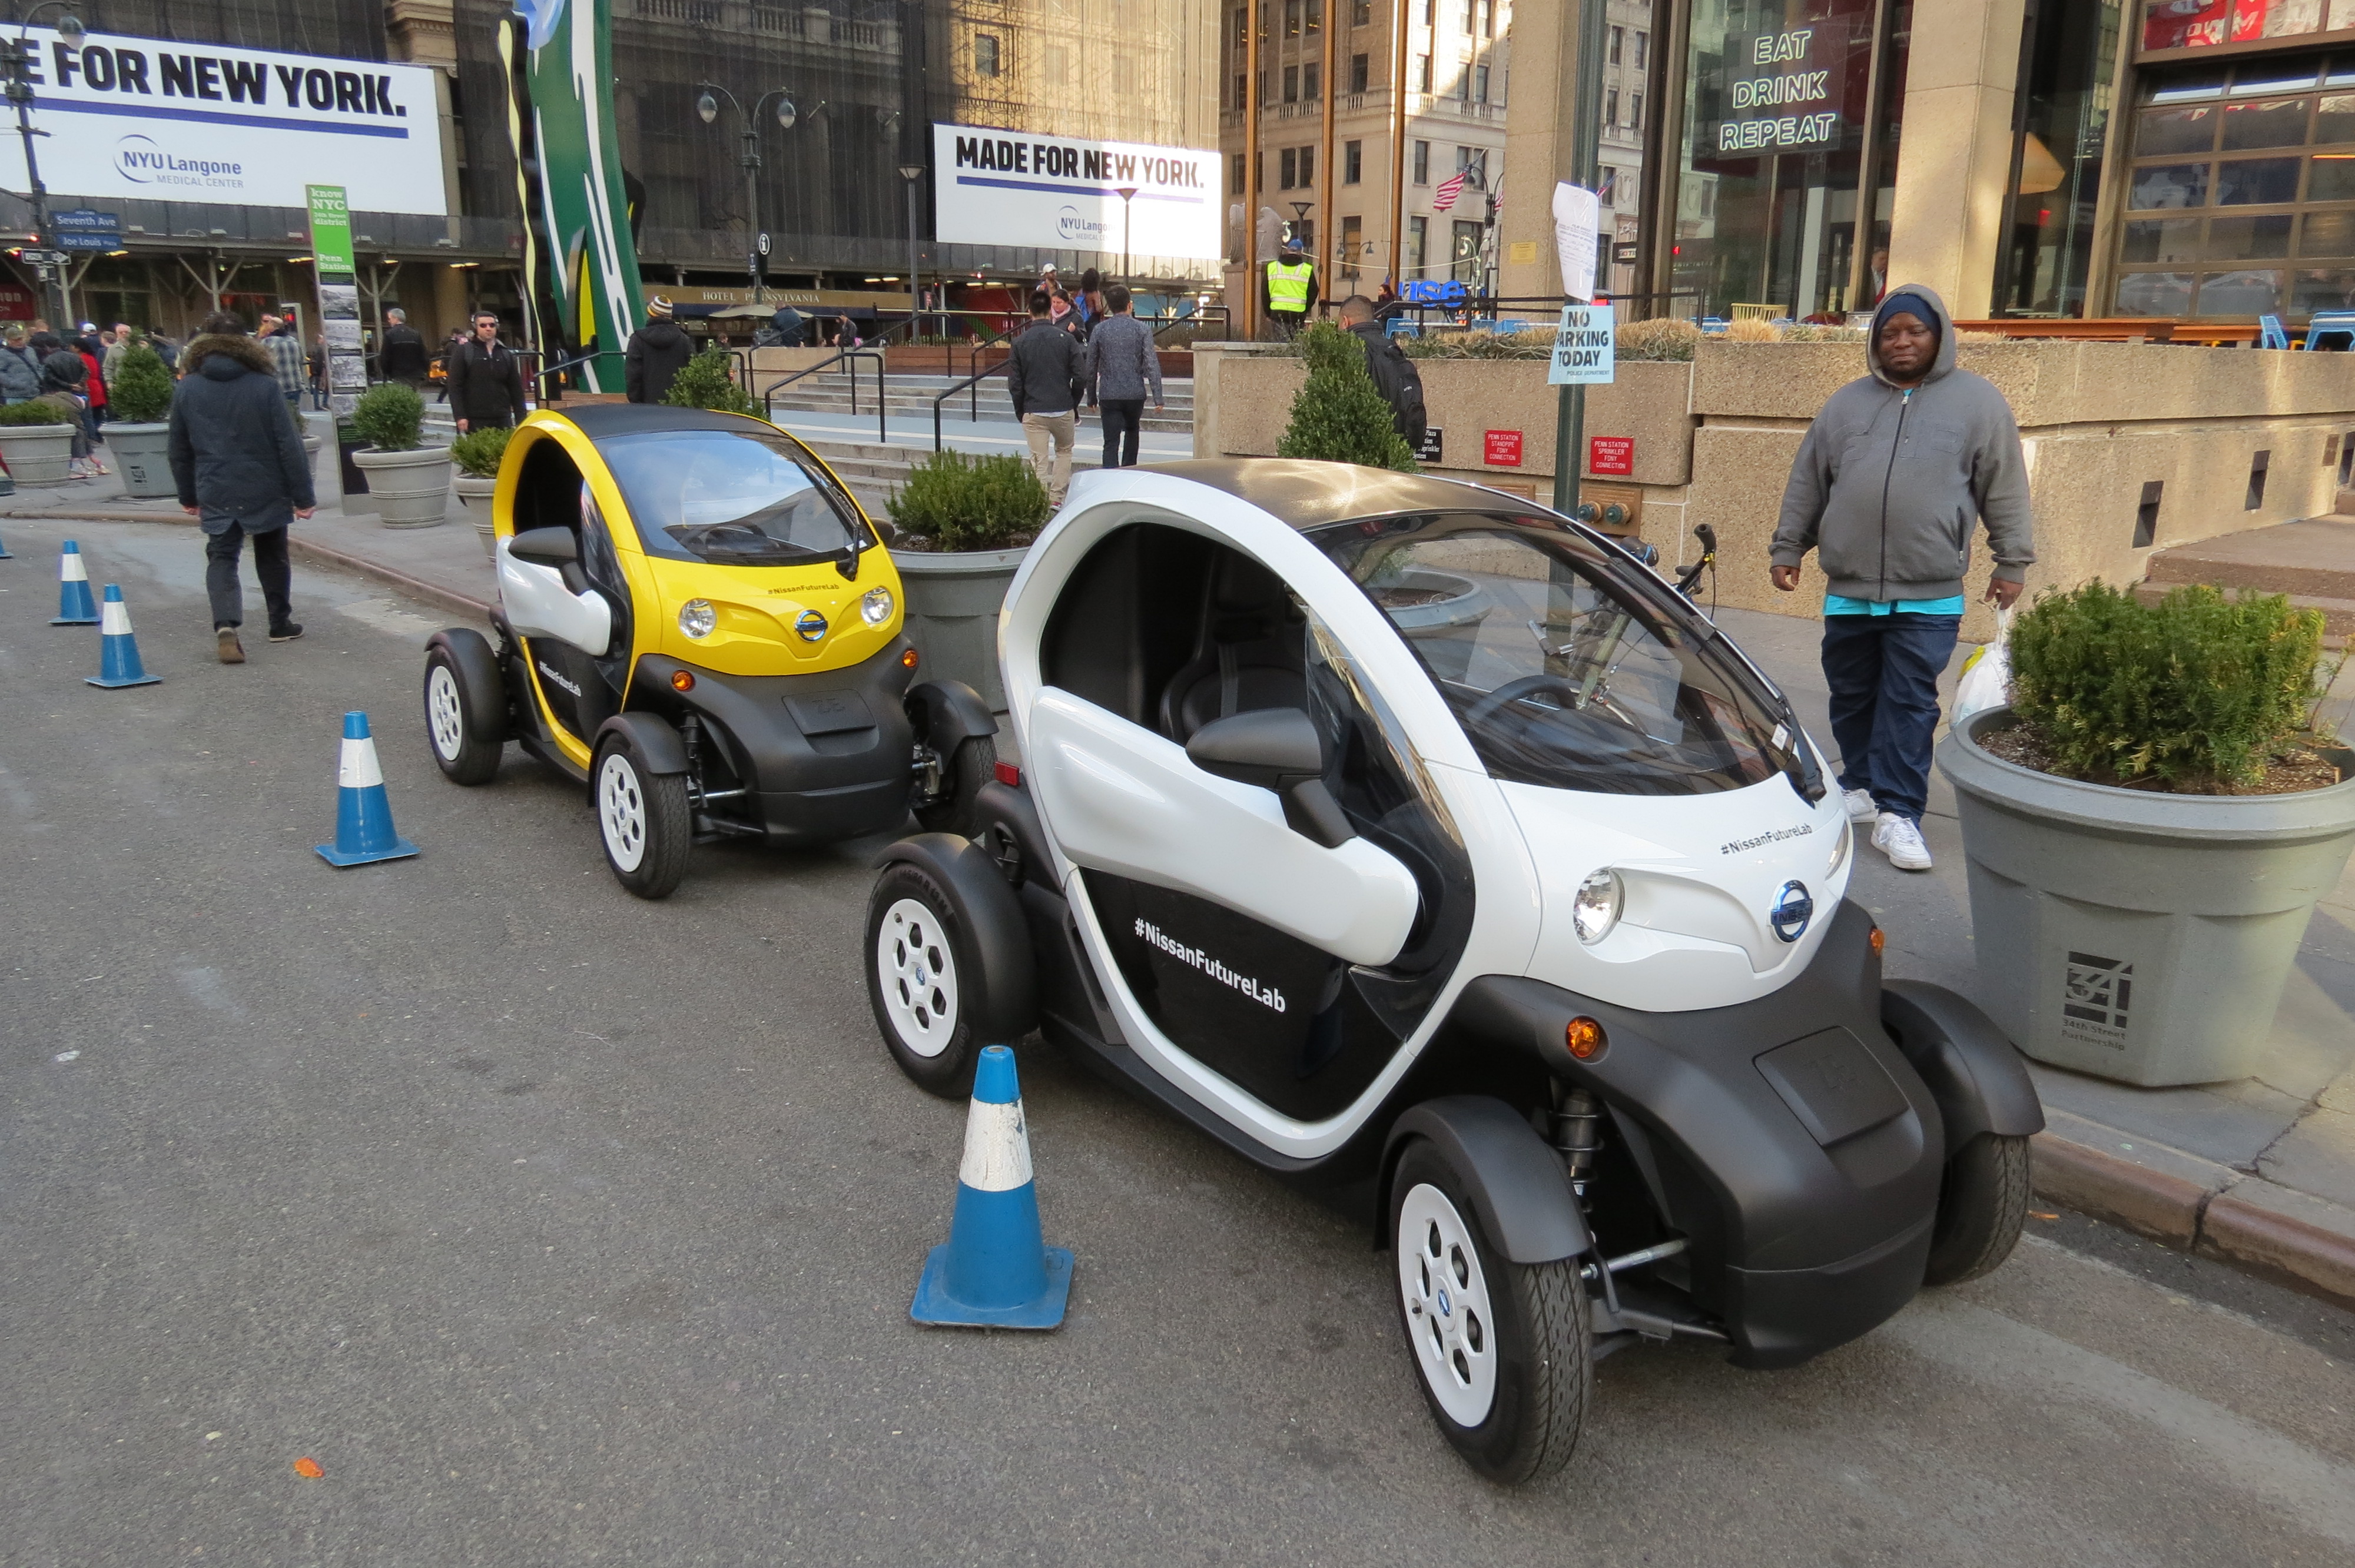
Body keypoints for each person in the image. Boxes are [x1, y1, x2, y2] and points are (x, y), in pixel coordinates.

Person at [1769, 284, 2033, 873]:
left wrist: (2011, 561)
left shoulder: (1978, 405)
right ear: (1875, 341)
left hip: (1930, 590)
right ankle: (1861, 787)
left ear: (1937, 334)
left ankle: (1900, 813)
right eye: (1890, 333)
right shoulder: (1845, 406)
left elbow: (2004, 487)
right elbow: (1809, 481)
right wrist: (1790, 546)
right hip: (1850, 586)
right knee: (1852, 694)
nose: (1902, 342)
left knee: (1910, 702)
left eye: (1914, 331)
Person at [168, 312, 317, 663]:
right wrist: (303, 497)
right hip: (264, 483)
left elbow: (178, 447)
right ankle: (280, 623)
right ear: (248, 346)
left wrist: (188, 495)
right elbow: (288, 444)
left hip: (215, 484)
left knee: (221, 555)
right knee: (272, 552)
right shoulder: (264, 385)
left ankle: (226, 624)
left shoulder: (188, 387)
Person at [1005, 290, 1089, 507]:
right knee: (1064, 451)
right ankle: (1056, 499)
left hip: (1033, 409)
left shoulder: (1019, 342)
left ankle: (1037, 501)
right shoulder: (1067, 340)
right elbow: (1081, 376)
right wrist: (1073, 401)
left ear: (1029, 312)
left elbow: (1015, 383)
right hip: (1062, 407)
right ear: (1049, 311)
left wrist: (1021, 410)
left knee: (1038, 459)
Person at [1336, 294, 1428, 453]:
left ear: (1346, 321)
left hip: (1365, 451)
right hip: (1398, 446)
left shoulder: (1353, 348)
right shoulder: (1391, 347)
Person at [1088, 283, 1161, 470]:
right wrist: (1158, 396)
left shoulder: (1100, 330)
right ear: (1130, 305)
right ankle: (1129, 471)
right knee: (1132, 431)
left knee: (1110, 441)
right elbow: (1151, 364)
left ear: (1110, 306)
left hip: (1109, 393)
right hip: (1134, 393)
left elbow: (1091, 365)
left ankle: (1110, 475)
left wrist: (1091, 396)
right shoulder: (1142, 329)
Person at [446, 310, 527, 433]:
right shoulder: (464, 351)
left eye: (492, 325)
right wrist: (460, 416)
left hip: (502, 417)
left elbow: (516, 388)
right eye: (483, 326)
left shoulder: (504, 353)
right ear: (476, 328)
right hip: (475, 418)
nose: (488, 329)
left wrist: (521, 417)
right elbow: (455, 386)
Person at [37, 347, 104, 478]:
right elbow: (86, 371)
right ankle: (76, 463)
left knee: (77, 430)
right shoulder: (71, 407)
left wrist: (69, 386)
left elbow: (50, 378)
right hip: (76, 391)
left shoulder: (49, 360)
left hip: (63, 390)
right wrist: (91, 455)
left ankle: (76, 462)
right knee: (79, 430)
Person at [625, 295, 694, 404]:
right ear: (670, 316)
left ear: (650, 314)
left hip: (648, 407)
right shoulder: (684, 340)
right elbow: (692, 373)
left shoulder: (638, 339)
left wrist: (636, 402)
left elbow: (633, 376)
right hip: (679, 407)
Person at [1263, 241, 1318, 337]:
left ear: (1287, 250)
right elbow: (1313, 293)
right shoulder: (1307, 270)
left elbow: (1265, 293)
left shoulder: (1272, 267)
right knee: (1296, 346)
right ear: (1301, 252)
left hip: (1277, 313)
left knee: (1279, 347)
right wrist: (1305, 309)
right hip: (1297, 315)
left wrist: (1268, 313)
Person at [258, 315, 307, 417]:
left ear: (272, 327)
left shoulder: (267, 342)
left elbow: (260, 364)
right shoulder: (294, 341)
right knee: (294, 417)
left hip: (278, 386)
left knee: (279, 417)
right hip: (295, 384)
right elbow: (301, 361)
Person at [377, 307, 429, 387]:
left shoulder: (389, 334)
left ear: (396, 318)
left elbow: (385, 356)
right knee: (414, 396)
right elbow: (423, 354)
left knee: (403, 396)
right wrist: (425, 370)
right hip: (416, 374)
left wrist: (386, 373)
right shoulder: (415, 334)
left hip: (398, 373)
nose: (389, 321)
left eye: (390, 318)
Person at [0, 323, 43, 404]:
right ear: (8, 341)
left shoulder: (30, 351)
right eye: (15, 340)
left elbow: (38, 366)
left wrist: (40, 378)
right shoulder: (2, 354)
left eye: (20, 339)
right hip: (15, 396)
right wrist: (13, 384)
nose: (19, 342)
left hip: (35, 393)